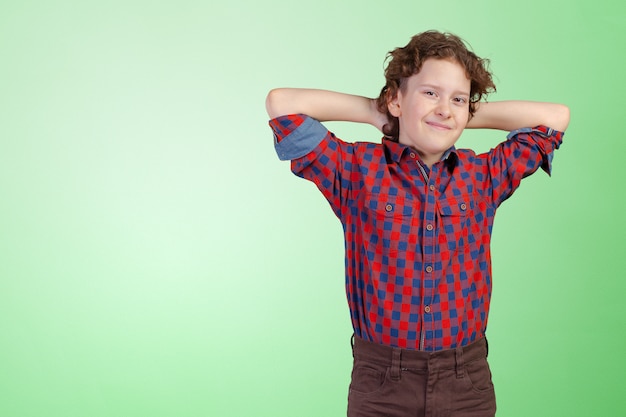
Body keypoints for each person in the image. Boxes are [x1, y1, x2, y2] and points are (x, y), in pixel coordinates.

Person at [265, 30, 570, 417]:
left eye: (458, 98)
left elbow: (554, 118)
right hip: (381, 383)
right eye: (429, 93)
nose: (444, 108)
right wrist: (378, 112)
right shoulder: (356, 170)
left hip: (466, 382)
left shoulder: (482, 176)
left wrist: (458, 117)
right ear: (395, 98)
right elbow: (282, 105)